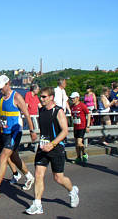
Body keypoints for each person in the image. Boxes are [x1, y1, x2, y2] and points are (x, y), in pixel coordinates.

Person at [26, 87, 79, 215]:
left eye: (44, 97)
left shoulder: (58, 111)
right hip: (42, 147)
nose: (41, 99)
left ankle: (72, 191)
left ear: (51, 97)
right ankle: (37, 204)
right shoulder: (42, 110)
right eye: (41, 96)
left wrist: (53, 144)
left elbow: (65, 131)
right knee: (38, 174)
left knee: (58, 178)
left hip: (56, 148)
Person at [0, 75, 37, 199]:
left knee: (3, 157)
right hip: (5, 132)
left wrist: (32, 131)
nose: (0, 90)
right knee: (14, 157)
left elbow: (27, 114)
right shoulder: (1, 99)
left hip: (15, 133)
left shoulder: (17, 97)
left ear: (8, 84)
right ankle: (29, 176)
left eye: (1, 88)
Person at [70, 92, 91, 163]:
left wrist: (88, 126)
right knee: (76, 144)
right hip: (75, 126)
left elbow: (88, 114)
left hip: (82, 126)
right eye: (71, 98)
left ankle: (84, 154)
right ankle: (78, 157)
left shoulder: (82, 105)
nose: (72, 99)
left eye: (73, 98)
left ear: (78, 98)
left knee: (79, 142)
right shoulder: (72, 106)